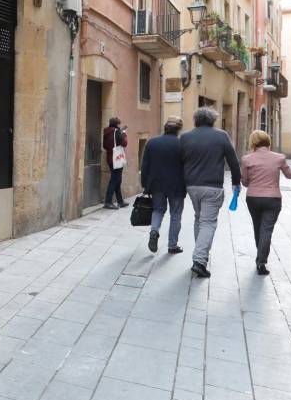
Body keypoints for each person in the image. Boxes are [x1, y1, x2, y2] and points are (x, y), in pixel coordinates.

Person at [180, 107, 241, 278]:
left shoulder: (185, 137)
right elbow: (233, 162)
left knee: (199, 219)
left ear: (196, 120)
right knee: (208, 222)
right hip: (213, 187)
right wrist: (236, 182)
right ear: (212, 120)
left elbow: (180, 161)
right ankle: (199, 260)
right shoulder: (221, 135)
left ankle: (200, 254)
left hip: (192, 186)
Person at [241, 130, 291, 275]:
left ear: (253, 143)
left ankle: (260, 256)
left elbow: (245, 182)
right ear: (268, 141)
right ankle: (261, 262)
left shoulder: (247, 159)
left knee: (258, 228)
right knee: (267, 230)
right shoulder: (279, 158)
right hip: (273, 198)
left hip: (253, 197)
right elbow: (290, 175)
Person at [140, 116, 186, 254]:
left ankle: (154, 231)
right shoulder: (182, 145)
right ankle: (172, 245)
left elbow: (145, 165)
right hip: (177, 185)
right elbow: (186, 167)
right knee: (176, 214)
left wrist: (145, 184)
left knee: (158, 210)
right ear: (179, 129)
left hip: (156, 184)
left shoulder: (152, 143)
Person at [102, 117, 129, 209]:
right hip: (116, 159)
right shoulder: (117, 132)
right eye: (118, 124)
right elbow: (124, 143)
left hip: (110, 158)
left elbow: (105, 146)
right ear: (117, 124)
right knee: (115, 180)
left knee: (117, 179)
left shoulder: (106, 132)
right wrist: (124, 134)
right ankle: (108, 202)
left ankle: (120, 201)